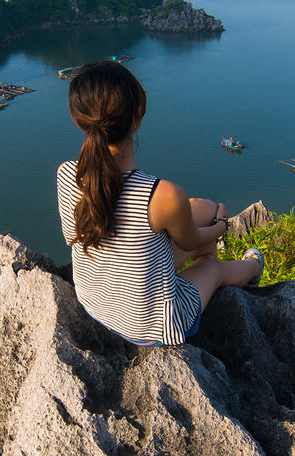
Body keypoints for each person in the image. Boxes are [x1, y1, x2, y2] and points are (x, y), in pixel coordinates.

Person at [56, 61, 263, 347]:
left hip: (94, 301)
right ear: (137, 116)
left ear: (78, 119)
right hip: (150, 327)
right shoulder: (161, 195)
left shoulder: (68, 174)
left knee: (199, 207)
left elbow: (73, 237)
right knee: (214, 267)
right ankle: (253, 266)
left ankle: (206, 263)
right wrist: (222, 226)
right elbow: (191, 241)